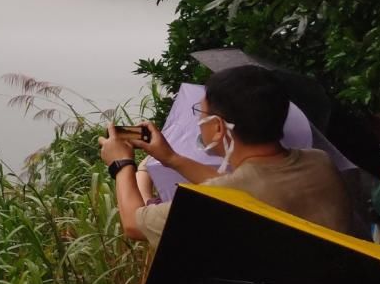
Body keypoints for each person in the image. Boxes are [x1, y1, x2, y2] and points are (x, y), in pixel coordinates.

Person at [100, 65, 355, 248]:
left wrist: (122, 164)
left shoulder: (216, 201)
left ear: (219, 127)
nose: (198, 119)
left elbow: (134, 224)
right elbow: (247, 189)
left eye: (201, 111)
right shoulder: (319, 162)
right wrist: (171, 158)